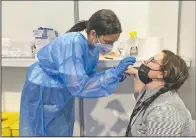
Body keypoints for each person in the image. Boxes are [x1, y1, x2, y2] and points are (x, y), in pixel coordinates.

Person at [19, 9, 136, 136]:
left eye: (113, 42)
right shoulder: (73, 43)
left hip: (62, 89)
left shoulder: (92, 47)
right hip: (44, 89)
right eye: (108, 42)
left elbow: (87, 79)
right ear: (93, 33)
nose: (110, 46)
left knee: (61, 128)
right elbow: (80, 86)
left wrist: (115, 76)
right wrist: (113, 73)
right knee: (42, 130)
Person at [125, 50, 196, 136]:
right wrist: (136, 74)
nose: (146, 61)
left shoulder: (164, 111)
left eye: (153, 61)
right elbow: (139, 96)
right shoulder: (150, 92)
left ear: (163, 74)